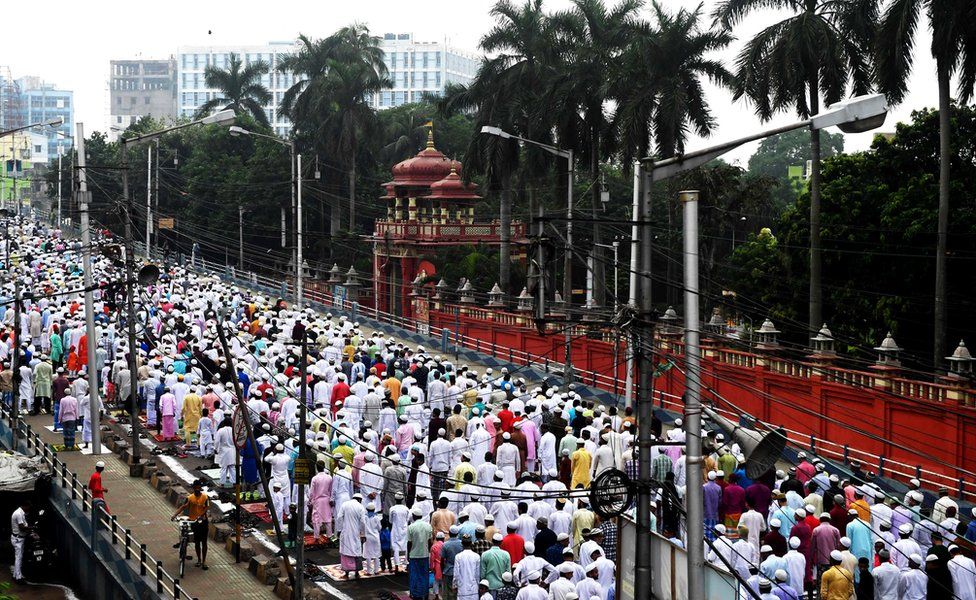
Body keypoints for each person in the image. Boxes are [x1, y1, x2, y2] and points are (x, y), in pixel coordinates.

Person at [171, 479, 211, 570]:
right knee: (197, 542)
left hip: (203, 522)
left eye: (198, 488)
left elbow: (206, 508)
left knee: (204, 542)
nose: (197, 489)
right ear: (193, 488)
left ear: (200, 488)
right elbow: (183, 507)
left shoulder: (205, 497)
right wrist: (174, 515)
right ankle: (199, 560)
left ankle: (204, 562)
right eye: (195, 488)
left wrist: (201, 516)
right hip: (194, 522)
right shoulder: (190, 498)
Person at [407, 507, 433, 600]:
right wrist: (429, 553)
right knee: (424, 575)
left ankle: (415, 594)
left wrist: (408, 554)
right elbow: (430, 541)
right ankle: (425, 593)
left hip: (414, 555)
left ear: (413, 516)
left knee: (414, 575)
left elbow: (409, 543)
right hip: (425, 555)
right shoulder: (428, 526)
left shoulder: (411, 527)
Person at [10, 499, 30, 584]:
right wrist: (32, 528)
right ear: (24, 506)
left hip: (19, 538)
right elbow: (22, 527)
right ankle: (18, 578)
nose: (28, 509)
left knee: (19, 557)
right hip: (18, 538)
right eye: (28, 507)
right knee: (18, 558)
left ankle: (16, 575)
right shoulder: (18, 513)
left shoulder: (21, 513)